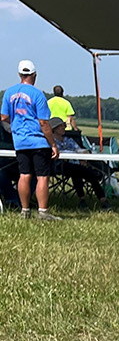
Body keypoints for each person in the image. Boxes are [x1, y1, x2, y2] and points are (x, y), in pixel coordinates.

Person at [6, 59, 61, 220]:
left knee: (24, 174)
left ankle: (25, 210)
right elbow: (44, 122)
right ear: (34, 75)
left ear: (19, 74)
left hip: (20, 141)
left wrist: (16, 125)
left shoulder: (9, 93)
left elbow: (4, 116)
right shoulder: (38, 94)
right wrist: (53, 144)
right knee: (42, 176)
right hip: (38, 141)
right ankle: (43, 211)